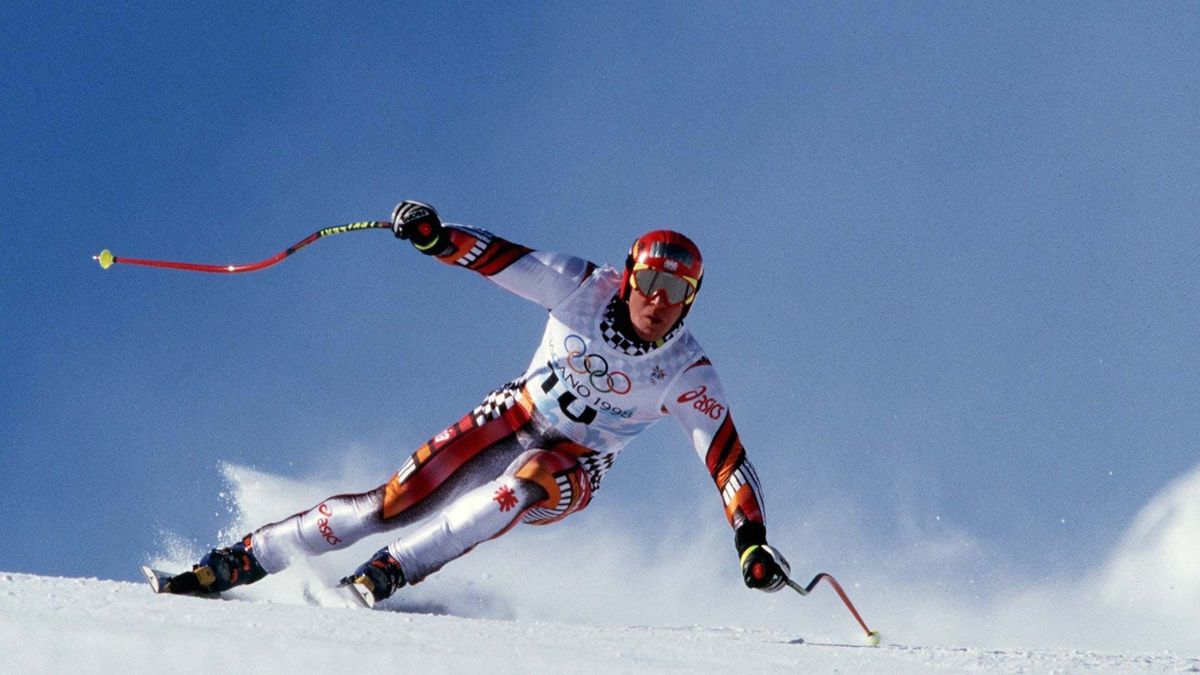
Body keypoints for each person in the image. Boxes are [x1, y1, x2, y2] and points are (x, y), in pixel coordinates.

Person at [162, 200, 791, 605]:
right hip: (513, 415)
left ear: (691, 300)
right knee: (391, 502)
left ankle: (386, 575)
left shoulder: (688, 373)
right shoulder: (582, 287)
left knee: (530, 480)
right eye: (651, 283)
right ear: (629, 278)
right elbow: (502, 259)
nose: (659, 301)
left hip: (578, 463)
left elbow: (727, 460)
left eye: (678, 292)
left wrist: (751, 541)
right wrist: (437, 238)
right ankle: (237, 562)